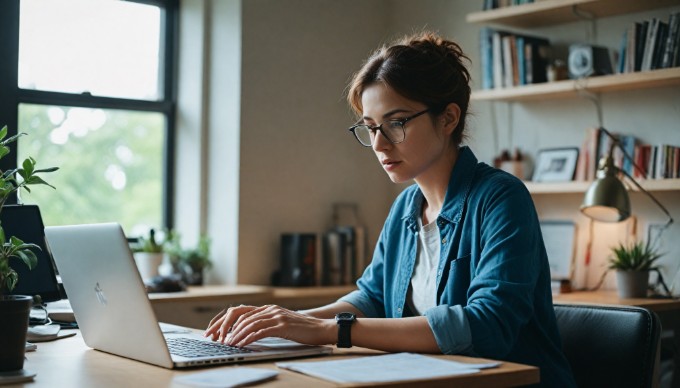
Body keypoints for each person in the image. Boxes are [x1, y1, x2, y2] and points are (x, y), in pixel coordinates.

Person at [204, 31, 576, 387]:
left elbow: (488, 325)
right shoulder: (406, 208)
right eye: (370, 127)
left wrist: (329, 330)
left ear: (448, 118)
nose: (379, 144)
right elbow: (373, 298)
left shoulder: (500, 197)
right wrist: (283, 321)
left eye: (396, 123)